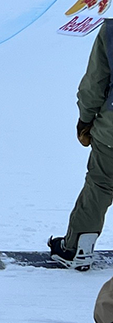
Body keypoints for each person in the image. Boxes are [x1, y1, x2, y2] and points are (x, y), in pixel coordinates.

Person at [50, 20, 113, 270]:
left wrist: (85, 120)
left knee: (101, 184)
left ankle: (78, 249)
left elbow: (95, 83)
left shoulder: (111, 29)